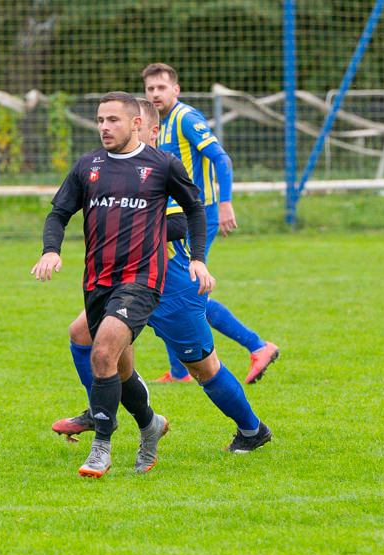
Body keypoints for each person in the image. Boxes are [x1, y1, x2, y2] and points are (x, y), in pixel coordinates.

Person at [52, 98, 273, 454]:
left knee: (203, 367)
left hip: (171, 286)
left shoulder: (160, 172)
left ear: (145, 129)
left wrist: (140, 225)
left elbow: (188, 217)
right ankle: (99, 409)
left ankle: (252, 429)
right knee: (84, 335)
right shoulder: (115, 169)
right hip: (127, 281)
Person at [32, 91, 214, 478]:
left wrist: (198, 258)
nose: (103, 127)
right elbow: (59, 213)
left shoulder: (163, 165)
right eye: (99, 120)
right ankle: (150, 425)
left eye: (112, 120)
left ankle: (101, 447)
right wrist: (51, 250)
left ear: (135, 123)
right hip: (97, 281)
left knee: (101, 353)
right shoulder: (88, 166)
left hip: (142, 280)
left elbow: (195, 210)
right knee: (119, 368)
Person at [142, 62, 279, 385]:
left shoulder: (186, 118)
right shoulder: (156, 124)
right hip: (172, 220)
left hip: (197, 217)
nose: (155, 94)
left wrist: (226, 202)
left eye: (161, 87)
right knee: (169, 288)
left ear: (176, 89)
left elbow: (221, 158)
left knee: (184, 291)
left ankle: (258, 345)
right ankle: (179, 372)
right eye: (150, 89)